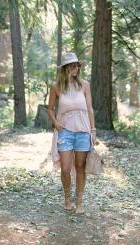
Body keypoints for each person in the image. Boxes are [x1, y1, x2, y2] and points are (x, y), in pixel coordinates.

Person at [48, 52, 96, 214]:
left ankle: (79, 202)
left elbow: (89, 108)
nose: (77, 68)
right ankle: (67, 199)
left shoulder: (84, 85)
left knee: (80, 166)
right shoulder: (56, 86)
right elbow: (50, 108)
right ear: (66, 68)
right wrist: (55, 123)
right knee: (65, 169)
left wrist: (93, 130)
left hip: (83, 131)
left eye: (78, 66)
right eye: (74, 66)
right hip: (65, 132)